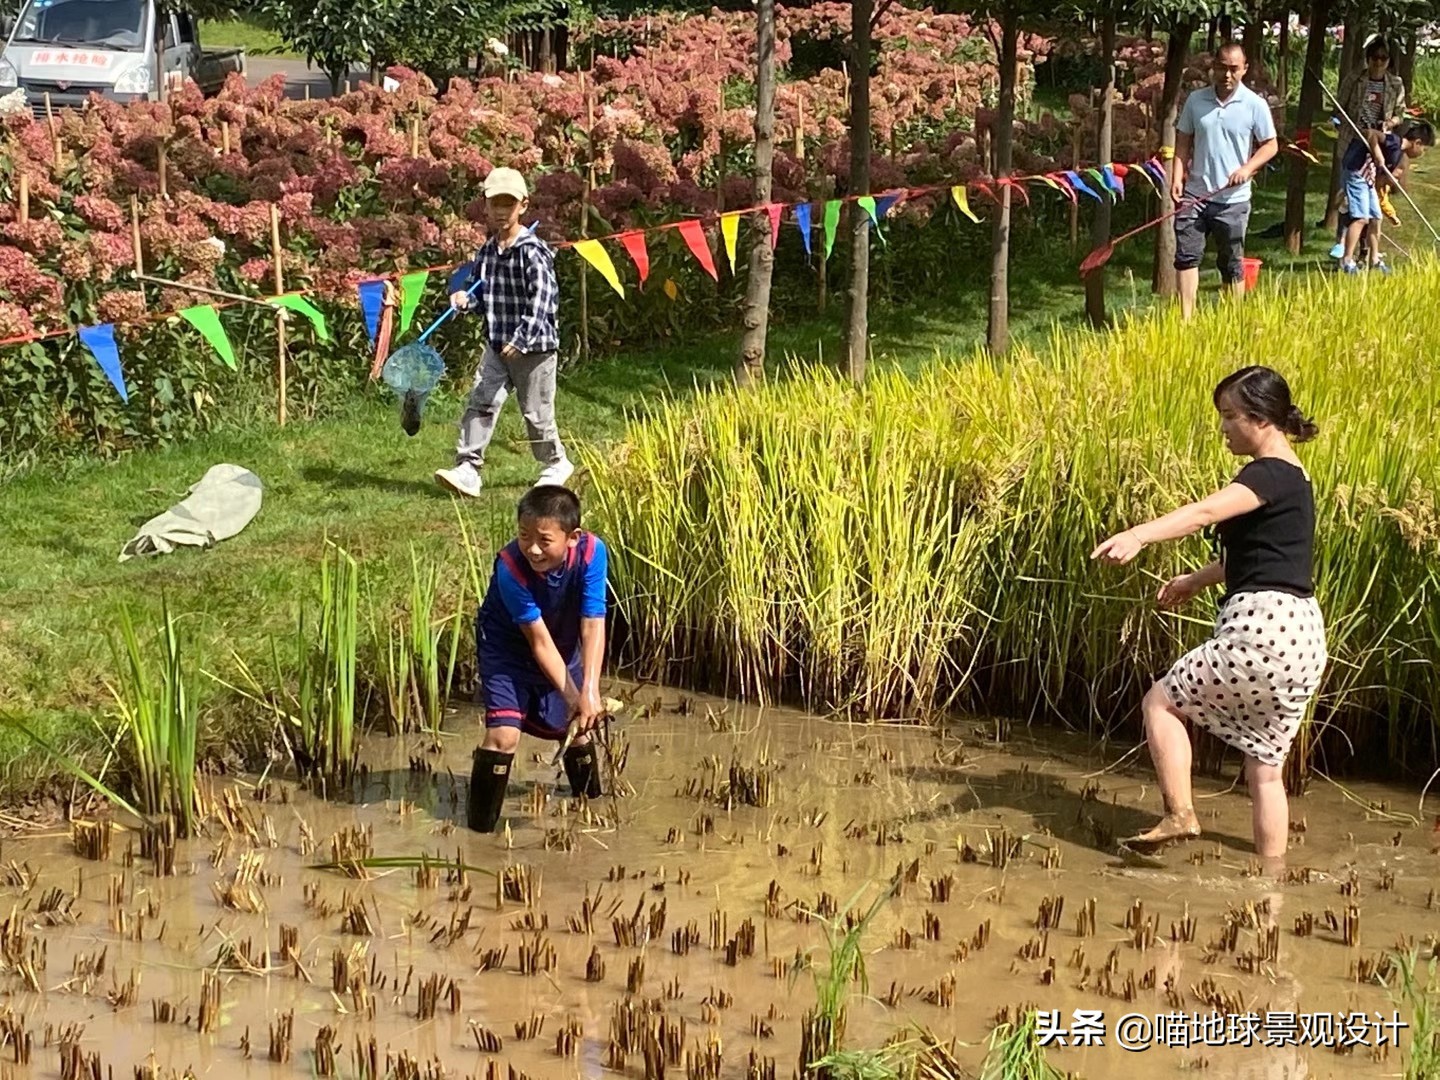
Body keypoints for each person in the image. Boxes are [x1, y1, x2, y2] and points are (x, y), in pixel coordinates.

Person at [1091, 366, 1327, 867]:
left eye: (1229, 416)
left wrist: (1139, 535)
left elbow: (1203, 513)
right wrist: (1194, 580)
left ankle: (1179, 814)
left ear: (1260, 418)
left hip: (1263, 628)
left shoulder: (1265, 472)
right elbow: (1262, 556)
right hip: (1303, 635)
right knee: (1265, 770)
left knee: (1160, 703)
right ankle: (1271, 884)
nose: (1222, 427)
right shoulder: (1297, 478)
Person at [468, 485, 608, 833]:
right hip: (507, 648)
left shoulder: (592, 553)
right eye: (524, 535)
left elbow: (592, 621)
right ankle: (479, 831)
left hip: (561, 641)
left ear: (572, 537)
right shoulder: (510, 568)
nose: (532, 548)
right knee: (504, 736)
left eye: (544, 540)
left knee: (577, 730)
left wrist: (589, 690)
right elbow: (538, 642)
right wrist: (576, 696)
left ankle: (591, 809)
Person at [435, 167, 574, 499]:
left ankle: (555, 463)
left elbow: (543, 300)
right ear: (486, 206)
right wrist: (465, 300)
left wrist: (522, 337)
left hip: (534, 349)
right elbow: (485, 295)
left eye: (508, 204)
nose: (501, 211)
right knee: (481, 402)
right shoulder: (487, 252)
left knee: (536, 412)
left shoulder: (532, 251)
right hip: (497, 345)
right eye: (495, 203)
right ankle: (468, 468)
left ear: (523, 206)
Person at [1171, 44, 1279, 321]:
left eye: (1233, 69)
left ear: (1244, 69)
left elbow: (1270, 145)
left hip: (1233, 199)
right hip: (1195, 194)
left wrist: (1247, 167)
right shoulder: (1196, 100)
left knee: (1231, 263)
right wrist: (1177, 176)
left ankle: (1233, 321)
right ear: (1213, 68)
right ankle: (1186, 321)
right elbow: (1183, 139)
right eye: (1222, 67)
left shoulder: (1255, 104)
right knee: (1187, 256)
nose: (1227, 74)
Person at [1328, 33, 1407, 255]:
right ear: (1368, 58)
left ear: (1388, 61)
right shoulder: (1355, 80)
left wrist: (1390, 122)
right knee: (1350, 195)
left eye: (1383, 58)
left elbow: (1401, 113)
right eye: (1374, 58)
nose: (1378, 62)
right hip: (1353, 142)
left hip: (1377, 146)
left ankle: (1366, 248)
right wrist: (1341, 123)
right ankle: (1342, 243)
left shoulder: (1395, 84)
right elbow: (1338, 108)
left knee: (1372, 198)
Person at [1337, 118, 1435, 274]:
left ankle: (1374, 259)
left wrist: (1389, 180)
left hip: (1368, 179)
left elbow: (1382, 178)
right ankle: (1347, 261)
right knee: (1361, 218)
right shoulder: (1396, 142)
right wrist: (1377, 154)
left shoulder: (1399, 154)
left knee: (1376, 217)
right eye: (1424, 149)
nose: (1422, 154)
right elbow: (1370, 133)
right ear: (1417, 142)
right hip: (1357, 173)